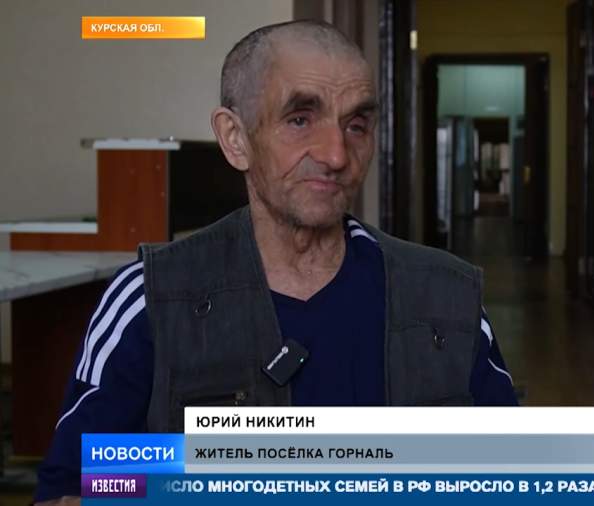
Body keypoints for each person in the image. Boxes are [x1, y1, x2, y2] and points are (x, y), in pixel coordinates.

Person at [35, 19, 517, 505]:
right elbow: (73, 489)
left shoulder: (448, 299)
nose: (336, 155)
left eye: (356, 125)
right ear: (235, 138)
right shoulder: (149, 300)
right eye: (300, 120)